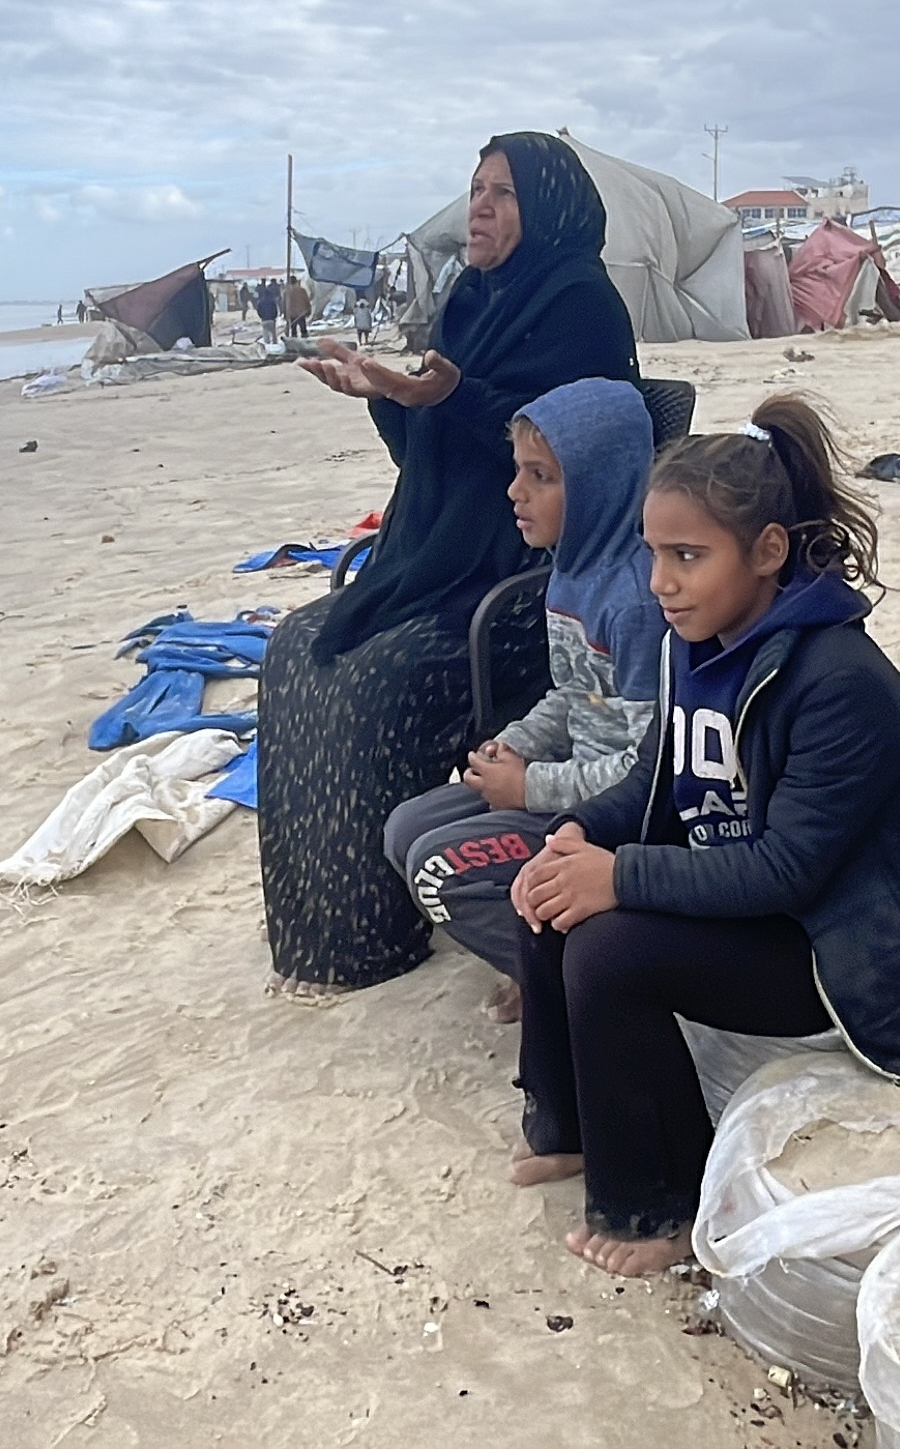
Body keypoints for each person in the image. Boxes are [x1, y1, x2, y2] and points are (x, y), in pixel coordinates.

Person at [506, 394, 900, 1277]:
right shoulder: (697, 642)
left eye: (688, 556)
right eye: (654, 554)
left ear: (768, 553)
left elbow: (789, 870)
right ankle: (570, 1128)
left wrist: (622, 877)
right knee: (552, 891)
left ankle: (663, 1203)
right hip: (765, 908)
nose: (661, 584)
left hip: (855, 960)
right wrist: (574, 837)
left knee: (609, 950)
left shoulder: (840, 682)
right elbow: (653, 781)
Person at [260, 133, 638, 989]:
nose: (479, 206)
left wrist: (450, 395)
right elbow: (426, 451)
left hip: (511, 573)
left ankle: (375, 934)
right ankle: (323, 929)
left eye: (502, 193)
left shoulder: (582, 303)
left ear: (546, 209)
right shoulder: (470, 298)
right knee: (293, 650)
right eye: (475, 189)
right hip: (437, 549)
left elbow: (559, 450)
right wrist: (389, 397)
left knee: (370, 682)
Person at [384, 377, 666, 1018]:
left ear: (596, 486)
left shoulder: (637, 604)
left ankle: (568, 982)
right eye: (519, 471)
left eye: (541, 476)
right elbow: (571, 696)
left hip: (617, 816)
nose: (515, 491)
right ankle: (536, 951)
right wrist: (513, 747)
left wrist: (530, 787)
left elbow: (648, 769)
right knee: (405, 828)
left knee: (436, 865)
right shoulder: (572, 570)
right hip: (566, 782)